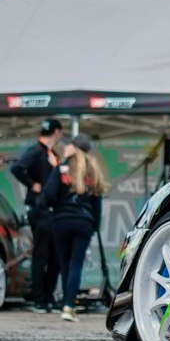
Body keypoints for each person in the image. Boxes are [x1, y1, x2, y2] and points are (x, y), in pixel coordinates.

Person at [43, 133, 108, 320]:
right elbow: (97, 202)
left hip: (61, 221)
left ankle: (66, 305)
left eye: (69, 144)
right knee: (76, 264)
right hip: (83, 222)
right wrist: (95, 225)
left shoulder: (62, 168)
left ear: (74, 147)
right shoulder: (93, 170)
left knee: (65, 265)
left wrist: (54, 207)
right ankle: (69, 306)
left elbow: (48, 194)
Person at [11, 116, 63, 312]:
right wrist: (32, 184)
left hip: (51, 211)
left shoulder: (50, 154)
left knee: (55, 256)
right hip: (40, 211)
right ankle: (39, 298)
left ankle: (48, 296)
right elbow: (17, 168)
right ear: (57, 132)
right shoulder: (36, 151)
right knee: (41, 254)